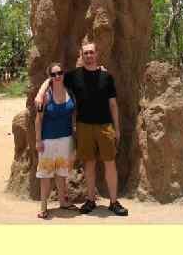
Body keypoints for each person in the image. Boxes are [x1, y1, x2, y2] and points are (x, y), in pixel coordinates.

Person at [35, 42, 128, 216]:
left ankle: (114, 202)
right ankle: (91, 199)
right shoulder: (74, 76)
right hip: (84, 126)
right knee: (89, 165)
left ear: (97, 54)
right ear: (81, 55)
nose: (89, 55)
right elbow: (55, 77)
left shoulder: (107, 77)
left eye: (92, 52)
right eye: (86, 53)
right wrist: (41, 92)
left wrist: (117, 128)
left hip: (105, 126)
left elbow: (113, 105)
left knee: (110, 164)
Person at [35, 62, 77, 219]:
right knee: (45, 174)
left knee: (61, 173)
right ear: (49, 78)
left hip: (65, 139)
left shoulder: (69, 92)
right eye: (53, 75)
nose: (57, 77)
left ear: (63, 73)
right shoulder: (45, 96)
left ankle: (62, 202)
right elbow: (38, 119)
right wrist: (38, 140)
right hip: (48, 141)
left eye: (59, 73)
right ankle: (43, 206)